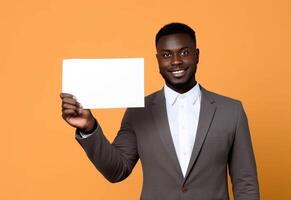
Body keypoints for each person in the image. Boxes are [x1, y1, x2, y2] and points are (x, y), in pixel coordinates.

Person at [60, 22, 259, 200]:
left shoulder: (231, 111)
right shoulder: (139, 111)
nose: (175, 61)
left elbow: (246, 183)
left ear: (197, 55)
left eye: (184, 52)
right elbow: (117, 171)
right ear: (157, 60)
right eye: (166, 55)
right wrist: (89, 128)